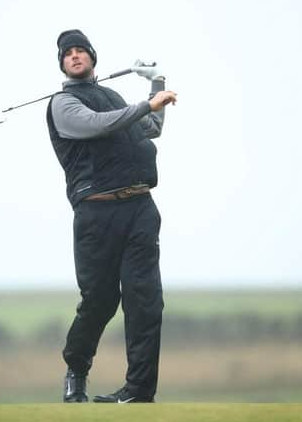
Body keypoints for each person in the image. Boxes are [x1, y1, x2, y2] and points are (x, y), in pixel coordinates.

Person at [46, 29, 177, 404]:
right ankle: (76, 371)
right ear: (63, 63)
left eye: (80, 50)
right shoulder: (63, 104)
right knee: (100, 300)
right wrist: (146, 104)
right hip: (97, 213)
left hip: (139, 208)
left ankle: (139, 390)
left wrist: (157, 83)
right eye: (67, 53)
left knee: (145, 299)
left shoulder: (113, 96)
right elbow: (97, 125)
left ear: (92, 57)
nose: (74, 56)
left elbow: (150, 128)